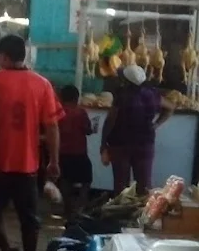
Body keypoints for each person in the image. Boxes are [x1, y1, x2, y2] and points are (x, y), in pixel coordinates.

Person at [0, 34, 62, 251]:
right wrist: (54, 160)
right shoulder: (42, 84)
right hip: (27, 164)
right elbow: (52, 126)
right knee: (30, 219)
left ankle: (6, 248)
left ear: (3, 56)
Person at [102, 64, 174, 195]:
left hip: (120, 144)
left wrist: (103, 145)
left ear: (126, 81)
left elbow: (110, 121)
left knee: (121, 185)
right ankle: (142, 213)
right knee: (144, 184)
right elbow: (170, 107)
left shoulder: (122, 96)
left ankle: (122, 212)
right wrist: (156, 124)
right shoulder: (152, 94)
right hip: (145, 143)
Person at [57, 85, 94, 219]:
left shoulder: (58, 112)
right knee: (86, 180)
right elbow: (88, 130)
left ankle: (68, 209)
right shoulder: (81, 112)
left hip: (63, 152)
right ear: (77, 98)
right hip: (79, 152)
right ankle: (79, 208)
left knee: (65, 180)